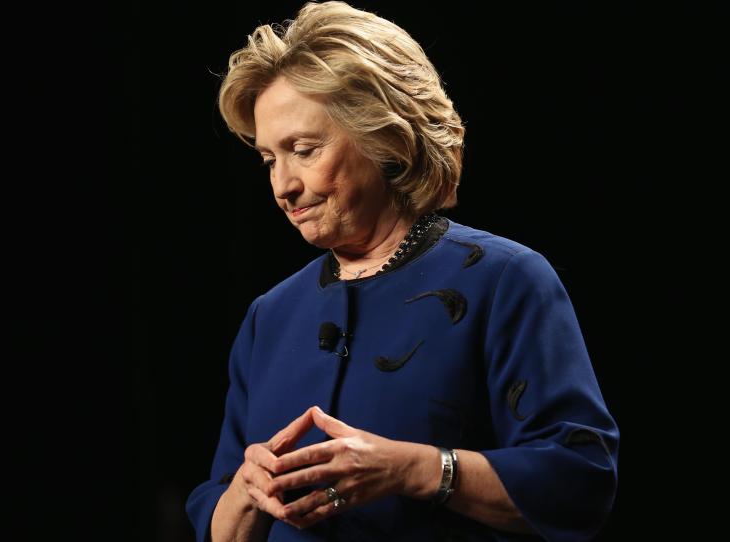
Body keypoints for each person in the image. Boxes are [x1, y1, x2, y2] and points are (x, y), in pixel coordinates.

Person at [185, 2, 619, 541]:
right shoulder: (269, 316)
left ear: (384, 138)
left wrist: (411, 469)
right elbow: (220, 523)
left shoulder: (504, 281)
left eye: (304, 150)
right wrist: (245, 495)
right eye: (271, 159)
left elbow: (579, 483)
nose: (283, 187)